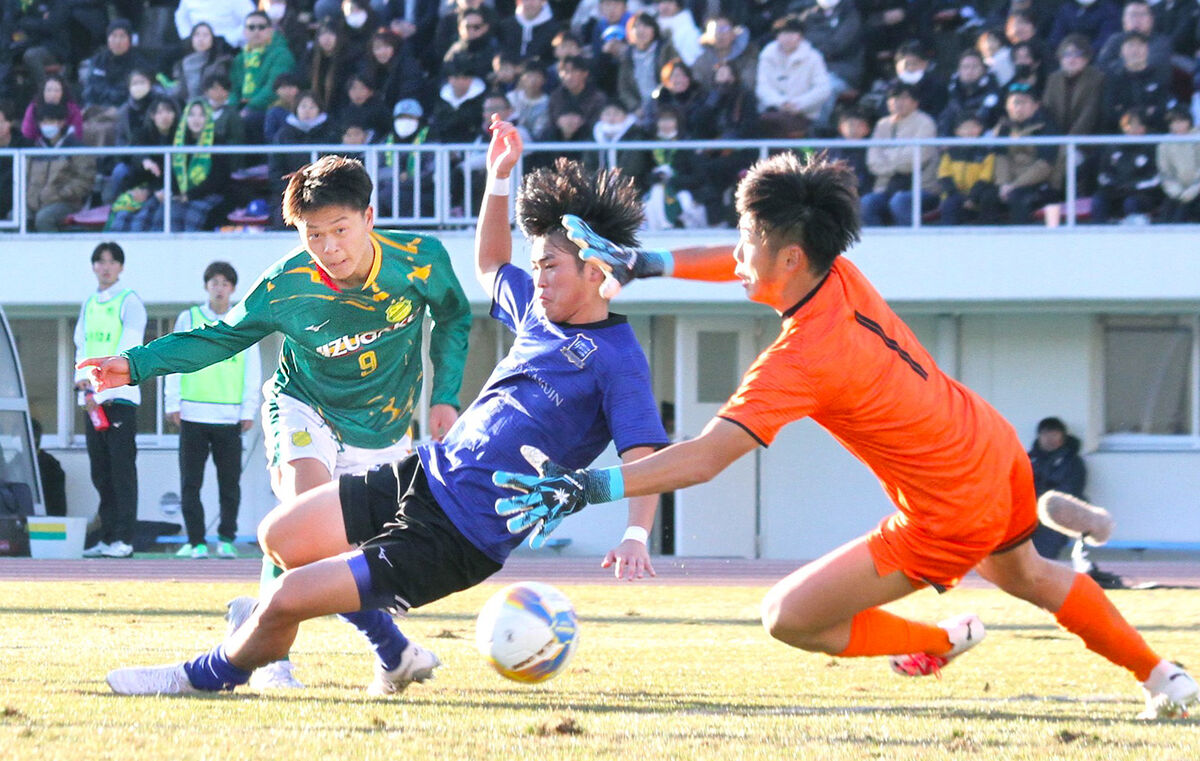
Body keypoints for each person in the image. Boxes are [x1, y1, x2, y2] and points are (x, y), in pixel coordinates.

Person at [492, 150, 1200, 720]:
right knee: (1033, 575)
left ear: (790, 258)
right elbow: (736, 257)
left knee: (788, 616)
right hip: (992, 444)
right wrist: (646, 264)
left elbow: (705, 459)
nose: (734, 255)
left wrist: (586, 485)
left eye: (747, 243)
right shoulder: (839, 272)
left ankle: (942, 637)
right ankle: (1162, 674)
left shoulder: (802, 359)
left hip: (949, 505)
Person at [103, 119, 667, 697]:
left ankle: (208, 675)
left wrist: (635, 535)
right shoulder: (534, 309)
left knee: (286, 595)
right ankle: (386, 650)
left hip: (458, 534)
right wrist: (499, 179)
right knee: (282, 534)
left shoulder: (617, 361)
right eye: (312, 235)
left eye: (550, 266)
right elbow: (494, 264)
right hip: (415, 468)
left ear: (597, 272)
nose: (537, 277)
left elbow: (647, 454)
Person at [80, 155, 471, 690]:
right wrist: (135, 364)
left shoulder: (420, 260)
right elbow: (219, 338)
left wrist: (446, 394)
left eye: (340, 230)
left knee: (338, 554)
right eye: (313, 235)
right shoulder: (286, 285)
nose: (329, 248)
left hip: (384, 426)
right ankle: (280, 662)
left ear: (369, 217)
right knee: (302, 525)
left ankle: (373, 646)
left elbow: (453, 316)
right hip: (304, 405)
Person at [166, 262, 262, 560]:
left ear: (232, 288)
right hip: (193, 414)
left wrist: (249, 409)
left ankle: (226, 539)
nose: (219, 288)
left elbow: (252, 368)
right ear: (206, 286)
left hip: (229, 416)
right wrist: (172, 402)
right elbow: (173, 356)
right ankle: (195, 541)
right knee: (190, 481)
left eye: (225, 283)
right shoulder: (189, 318)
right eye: (214, 282)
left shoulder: (243, 320)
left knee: (229, 482)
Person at [76, 242, 146, 559]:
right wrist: (85, 387)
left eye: (111, 262)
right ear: (93, 267)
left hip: (119, 398)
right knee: (100, 472)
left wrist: (100, 388)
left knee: (121, 471)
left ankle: (124, 538)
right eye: (100, 262)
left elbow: (127, 347)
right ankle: (107, 535)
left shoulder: (129, 301)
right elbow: (82, 345)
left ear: (120, 267)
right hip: (93, 402)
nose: (105, 267)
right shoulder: (89, 303)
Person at [229, 10, 297, 144]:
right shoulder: (240, 58)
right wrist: (231, 109)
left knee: (249, 121)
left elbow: (274, 87)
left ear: (270, 30)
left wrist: (249, 108)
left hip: (270, 109)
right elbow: (233, 88)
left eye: (261, 27)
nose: (256, 31)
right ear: (245, 32)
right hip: (244, 109)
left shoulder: (281, 54)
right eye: (251, 27)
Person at [1027, 417, 1087, 559]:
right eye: (1046, 434)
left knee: (1045, 545)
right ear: (1039, 436)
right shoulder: (1028, 459)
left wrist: (1043, 502)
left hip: (1058, 515)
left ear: (1063, 436)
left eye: (1055, 434)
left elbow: (1072, 490)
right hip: (1028, 514)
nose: (1050, 438)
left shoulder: (1073, 462)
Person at [1157, 108, 1200, 223]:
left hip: (1196, 189)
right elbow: (1165, 171)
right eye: (1174, 122)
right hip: (1177, 191)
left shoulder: (1197, 139)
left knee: (1184, 212)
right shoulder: (1165, 143)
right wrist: (1176, 191)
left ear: (1189, 121)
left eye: (1181, 121)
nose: (1178, 125)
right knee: (1167, 215)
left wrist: (1192, 190)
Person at [31, 418, 67, 517]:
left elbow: (56, 505)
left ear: (34, 438)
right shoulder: (18, 460)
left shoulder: (50, 465)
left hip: (45, 521)